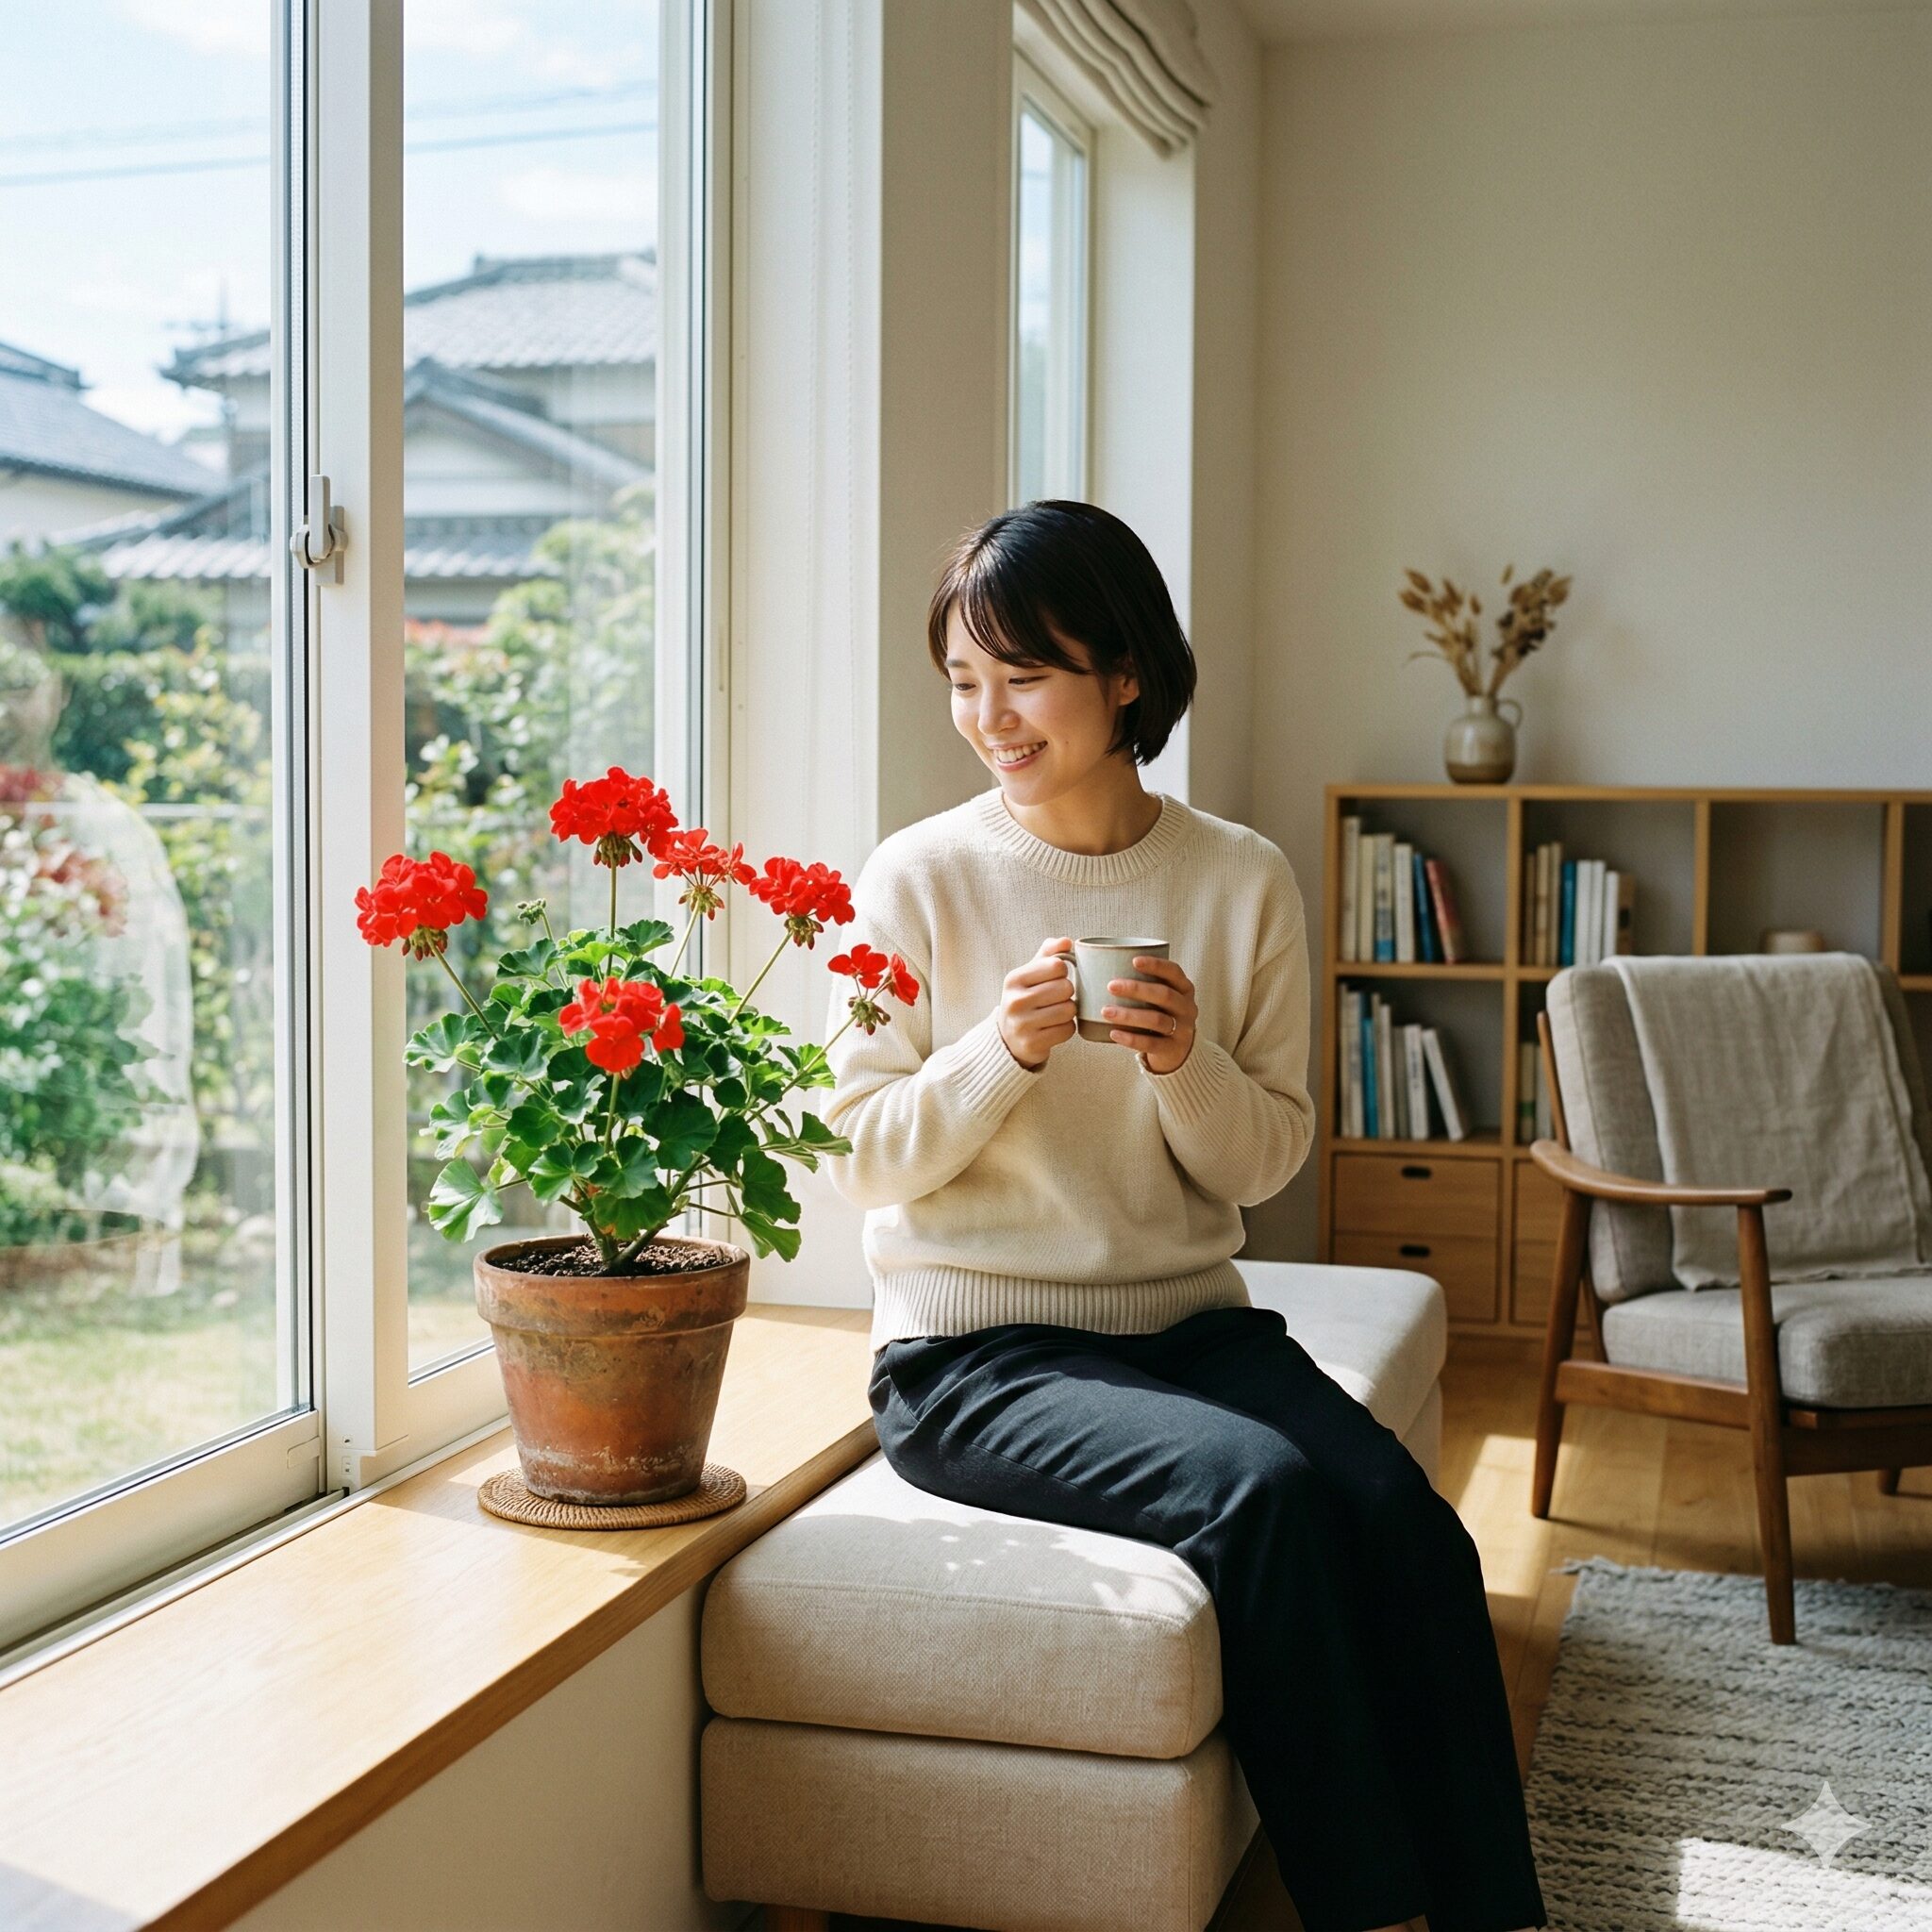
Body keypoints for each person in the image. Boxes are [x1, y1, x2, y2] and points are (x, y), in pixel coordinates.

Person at [819, 501, 1547, 1932]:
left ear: (1127, 673)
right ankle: (1370, 1913)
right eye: (964, 682)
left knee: (1408, 1521)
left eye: (1022, 676)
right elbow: (864, 1157)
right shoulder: (917, 876)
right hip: (975, 1360)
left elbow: (1265, 1161)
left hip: (1191, 1325)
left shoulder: (1237, 875)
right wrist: (1000, 1053)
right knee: (1264, 1496)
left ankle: (1493, 1908)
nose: (989, 717)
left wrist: (1180, 1060)